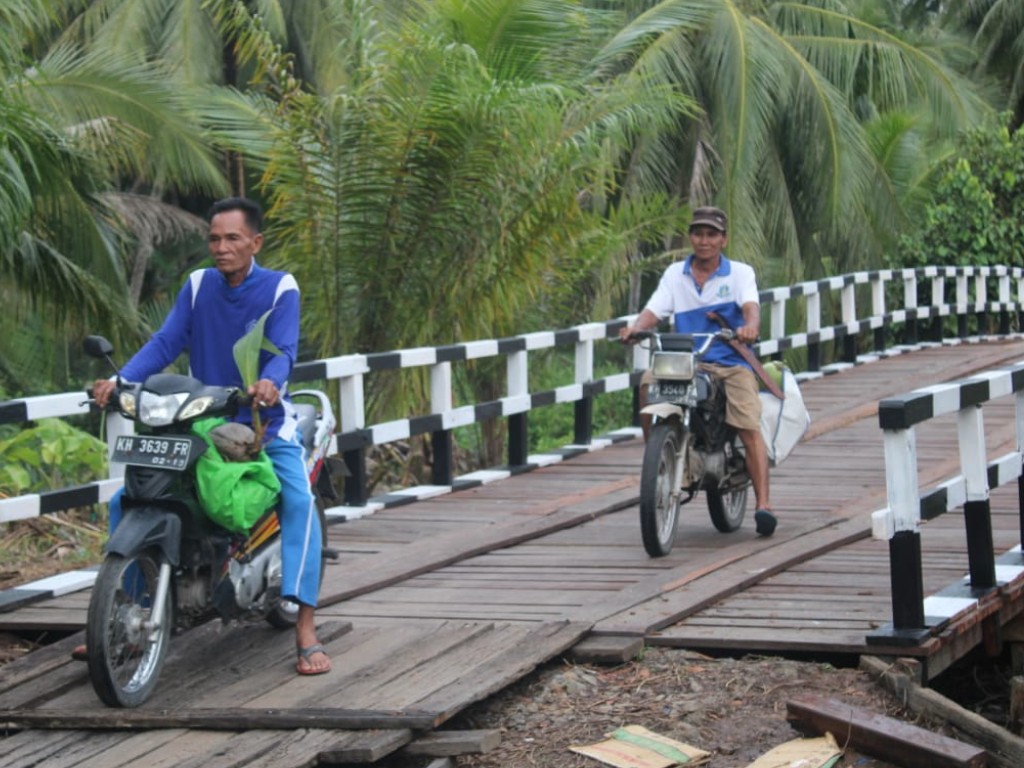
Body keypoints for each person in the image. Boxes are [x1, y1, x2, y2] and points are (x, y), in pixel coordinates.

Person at [84, 196, 331, 675]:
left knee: (298, 503)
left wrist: (269, 384)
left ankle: (305, 626)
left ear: (255, 242)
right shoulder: (198, 285)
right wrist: (122, 381)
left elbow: (283, 350)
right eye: (215, 238)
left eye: (233, 238)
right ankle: (115, 617)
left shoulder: (280, 287)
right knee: (126, 501)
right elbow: (166, 342)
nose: (222, 247)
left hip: (261, 424)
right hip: (202, 422)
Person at [618, 206, 776, 537]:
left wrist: (749, 327)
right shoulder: (676, 274)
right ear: (691, 237)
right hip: (688, 360)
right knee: (648, 384)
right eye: (698, 234)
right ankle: (658, 457)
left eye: (711, 235)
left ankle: (764, 505)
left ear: (723, 239)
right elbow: (654, 310)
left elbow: (751, 307)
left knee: (747, 422)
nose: (704, 241)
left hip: (730, 363)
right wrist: (635, 328)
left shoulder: (739, 273)